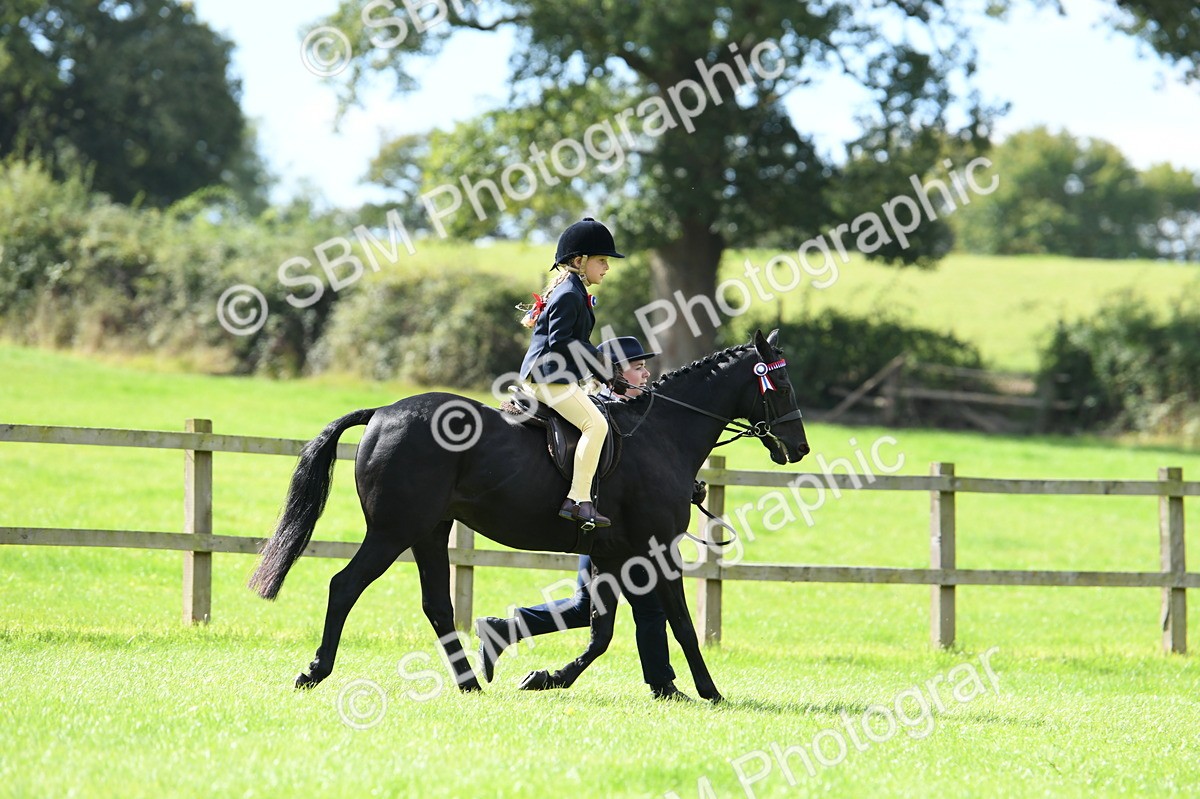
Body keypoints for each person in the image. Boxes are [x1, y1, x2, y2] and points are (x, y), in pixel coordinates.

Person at [478, 336, 702, 701]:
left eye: (645, 367)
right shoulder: (602, 413)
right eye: (638, 367)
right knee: (626, 607)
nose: (646, 374)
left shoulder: (638, 416)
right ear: (615, 374)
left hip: (620, 531)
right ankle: (661, 685)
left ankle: (504, 629)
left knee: (617, 607)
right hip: (605, 531)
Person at [519, 217, 624, 529]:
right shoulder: (569, 294)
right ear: (580, 261)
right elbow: (562, 341)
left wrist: (601, 371)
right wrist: (602, 364)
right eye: (601, 260)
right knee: (596, 424)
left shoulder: (573, 290)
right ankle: (578, 500)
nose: (607, 267)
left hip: (553, 375)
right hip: (547, 378)